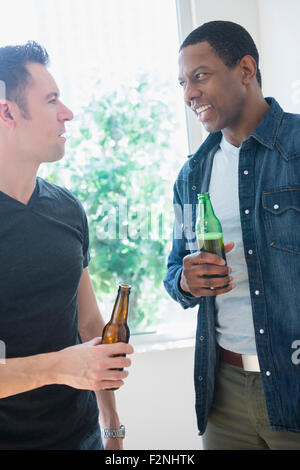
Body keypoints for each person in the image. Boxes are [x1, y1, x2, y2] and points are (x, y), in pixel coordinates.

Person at [164, 20, 300, 450]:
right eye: (183, 82)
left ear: (244, 68)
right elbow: (174, 271)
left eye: (200, 76)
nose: (189, 94)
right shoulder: (192, 176)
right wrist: (186, 280)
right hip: (223, 394)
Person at [0, 41, 133, 450]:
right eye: (52, 99)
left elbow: (91, 327)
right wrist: (63, 366)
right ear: (7, 112)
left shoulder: (67, 208)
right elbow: (75, 361)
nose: (68, 113)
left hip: (82, 438)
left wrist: (112, 427)